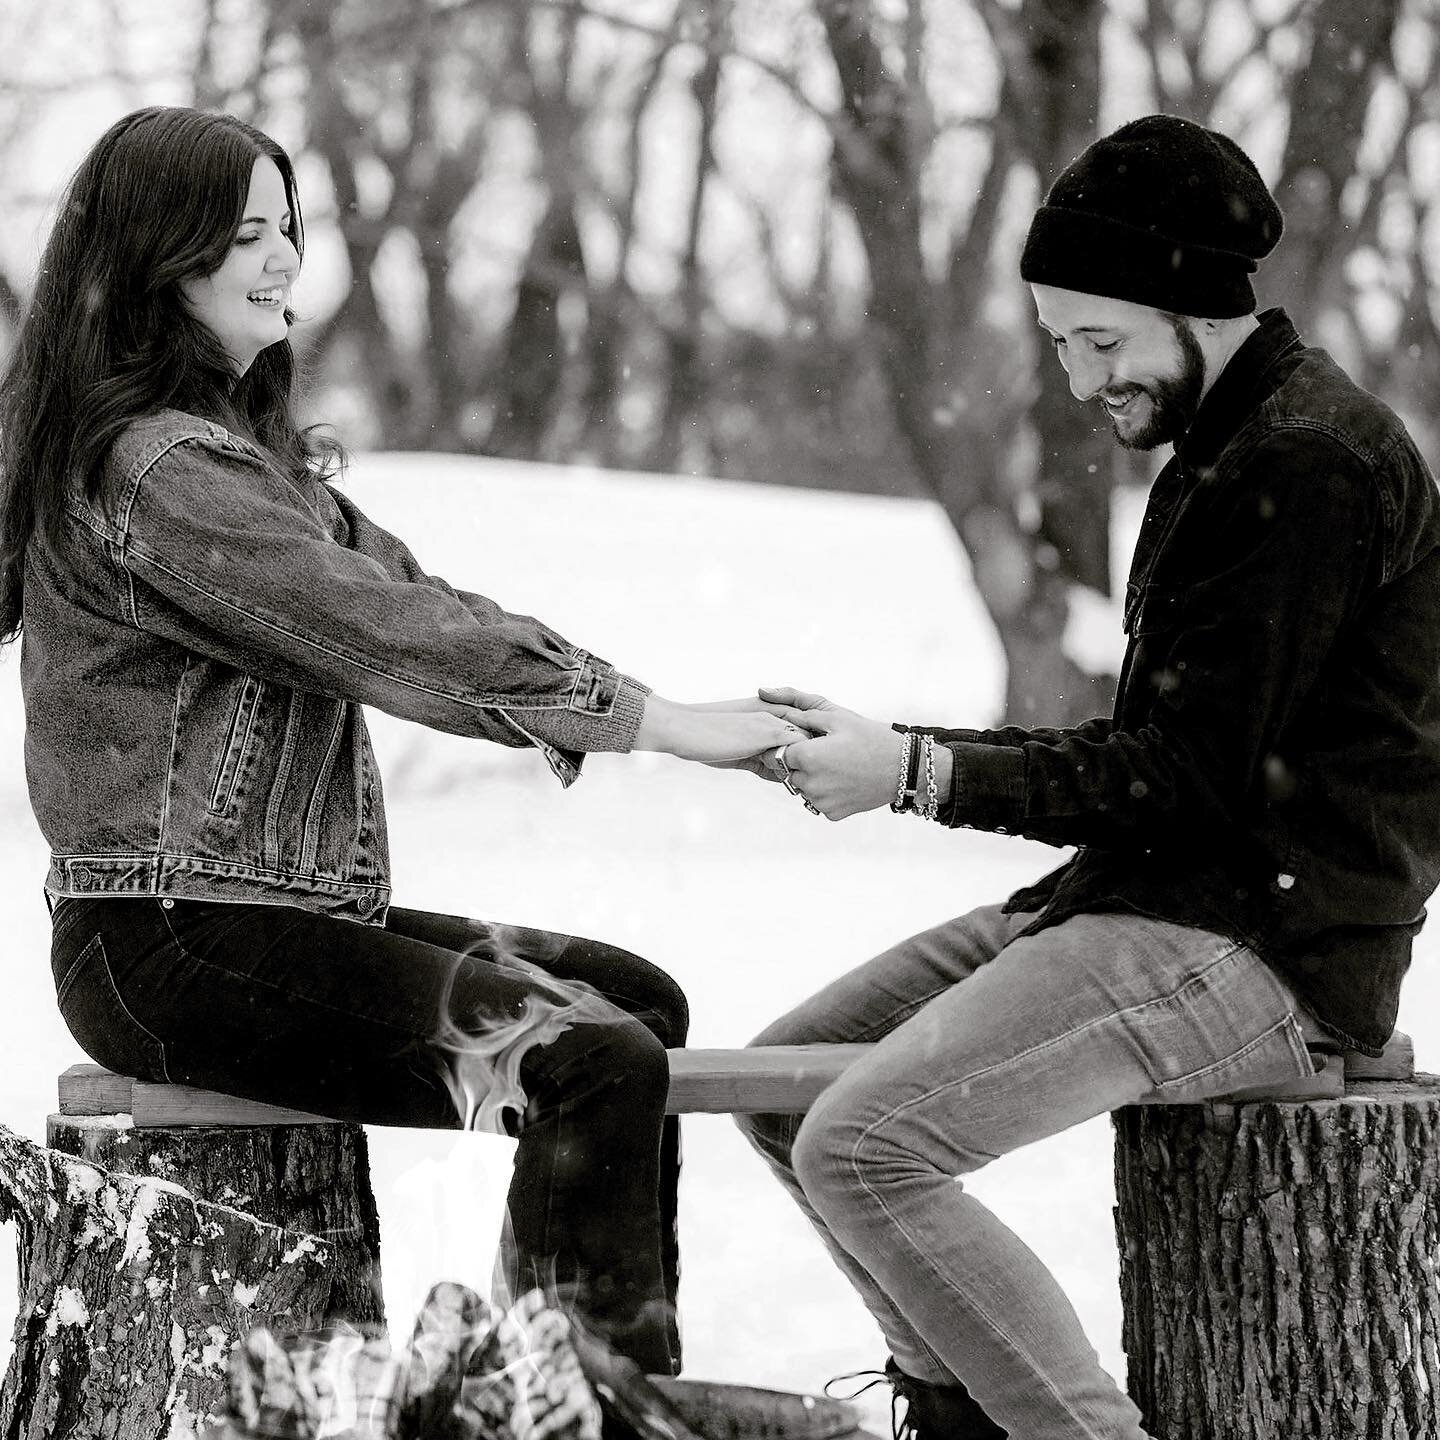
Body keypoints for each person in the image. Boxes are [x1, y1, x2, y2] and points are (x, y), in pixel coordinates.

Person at [0, 105, 803, 1378]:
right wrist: (662, 726)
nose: (285, 262)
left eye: (288, 229)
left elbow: (424, 606)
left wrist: (612, 698)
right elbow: (383, 635)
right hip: (165, 939)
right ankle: (576, 1401)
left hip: (262, 920)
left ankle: (592, 1376)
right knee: (585, 1056)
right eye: (249, 235)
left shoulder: (235, 464)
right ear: (165, 261)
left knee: (634, 1005)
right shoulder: (158, 475)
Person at [737, 114, 1440, 1439]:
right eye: (1061, 343)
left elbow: (1181, 776)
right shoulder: (1226, 450)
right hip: (1151, 900)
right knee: (788, 1090)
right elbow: (1167, 763)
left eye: (1101, 341)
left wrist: (917, 771)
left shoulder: (1309, 465)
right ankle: (963, 1417)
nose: (1077, 380)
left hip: (1268, 942)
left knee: (864, 1145)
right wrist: (910, 757)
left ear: (1198, 308)